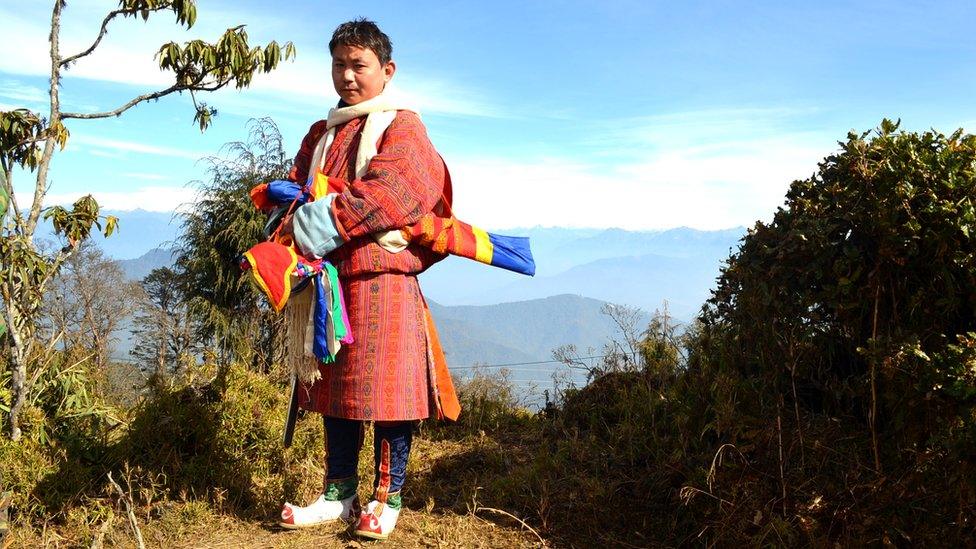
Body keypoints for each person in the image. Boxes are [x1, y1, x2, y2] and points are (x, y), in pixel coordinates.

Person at [276, 18, 459, 540]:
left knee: (386, 390)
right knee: (337, 389)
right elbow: (295, 187)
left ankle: (387, 497)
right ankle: (340, 493)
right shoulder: (323, 132)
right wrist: (288, 219)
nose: (348, 77)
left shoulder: (403, 127)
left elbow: (395, 193)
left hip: (384, 278)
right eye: (339, 64)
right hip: (330, 279)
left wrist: (320, 219)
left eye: (359, 65)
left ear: (387, 70)